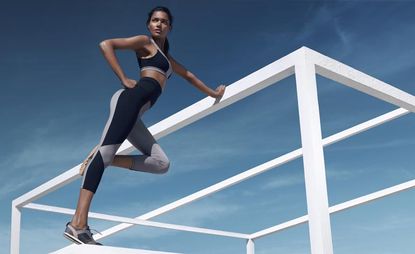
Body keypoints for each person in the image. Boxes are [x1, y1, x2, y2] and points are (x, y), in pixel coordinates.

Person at [63, 6, 226, 245]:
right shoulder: (145, 42)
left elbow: (189, 76)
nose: (159, 24)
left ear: (170, 27)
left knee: (161, 164)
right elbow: (106, 44)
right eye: (155, 20)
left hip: (136, 113)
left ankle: (102, 157)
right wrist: (123, 78)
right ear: (149, 24)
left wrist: (214, 93)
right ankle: (77, 224)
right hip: (127, 101)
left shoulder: (168, 61)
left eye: (164, 21)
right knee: (105, 154)